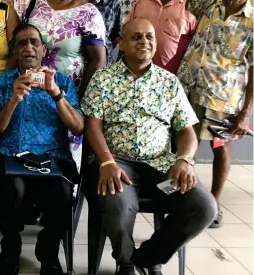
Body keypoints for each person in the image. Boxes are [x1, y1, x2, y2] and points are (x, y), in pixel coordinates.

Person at [81, 18, 217, 275]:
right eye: (136, 37)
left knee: (204, 208)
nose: (144, 41)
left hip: (161, 165)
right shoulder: (103, 79)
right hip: (116, 162)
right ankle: (126, 263)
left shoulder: (170, 82)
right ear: (121, 43)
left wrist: (184, 160)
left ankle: (146, 258)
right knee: (118, 207)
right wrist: (106, 161)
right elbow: (92, 126)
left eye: (149, 37)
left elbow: (186, 129)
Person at [132, 0, 253, 229]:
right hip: (187, 90)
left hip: (222, 99)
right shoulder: (209, 4)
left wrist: (245, 113)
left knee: (221, 149)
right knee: (184, 146)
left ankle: (213, 203)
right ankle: (182, 196)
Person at [0, 23, 83, 275]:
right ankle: (10, 249)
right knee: (11, 188)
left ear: (43, 49)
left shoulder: (61, 81)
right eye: (22, 43)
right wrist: (12, 100)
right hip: (11, 156)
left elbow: (78, 127)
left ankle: (49, 251)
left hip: (52, 158)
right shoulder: (1, 83)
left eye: (33, 43)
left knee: (62, 191)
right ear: (15, 51)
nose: (28, 48)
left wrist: (56, 93)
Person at [26, 0, 106, 163]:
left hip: (69, 92)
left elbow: (98, 60)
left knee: (64, 153)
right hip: (33, 89)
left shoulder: (89, 13)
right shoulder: (36, 3)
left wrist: (82, 98)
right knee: (34, 147)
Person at [126, 0, 197, 74]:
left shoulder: (191, 6)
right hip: (137, 74)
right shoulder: (142, 1)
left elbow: (195, 50)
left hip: (173, 78)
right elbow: (127, 34)